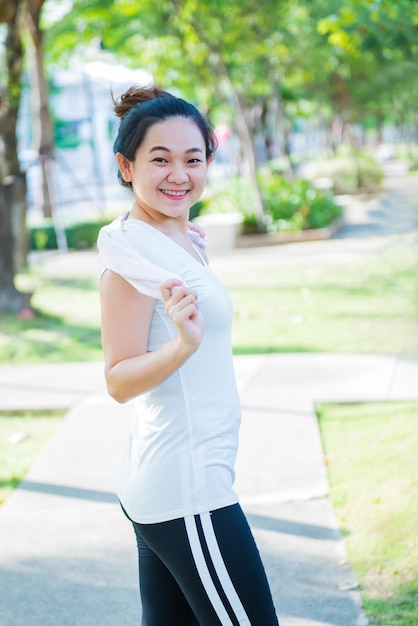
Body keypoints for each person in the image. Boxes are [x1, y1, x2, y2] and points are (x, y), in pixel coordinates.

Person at [97, 85, 279, 626]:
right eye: (160, 159)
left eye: (192, 159)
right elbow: (118, 380)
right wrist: (183, 346)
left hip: (173, 486)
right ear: (126, 167)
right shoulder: (130, 258)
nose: (179, 174)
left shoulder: (179, 240)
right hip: (188, 494)